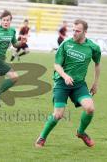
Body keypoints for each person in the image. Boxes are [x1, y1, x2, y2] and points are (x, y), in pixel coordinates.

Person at [35, 19, 101, 148]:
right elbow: (57, 64)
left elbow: (97, 64)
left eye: (78, 31)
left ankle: (81, 132)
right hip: (61, 83)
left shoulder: (93, 47)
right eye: (73, 30)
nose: (74, 33)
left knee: (90, 108)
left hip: (79, 85)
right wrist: (65, 76)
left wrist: (95, 83)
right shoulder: (66, 44)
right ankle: (42, 137)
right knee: (58, 114)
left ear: (85, 32)